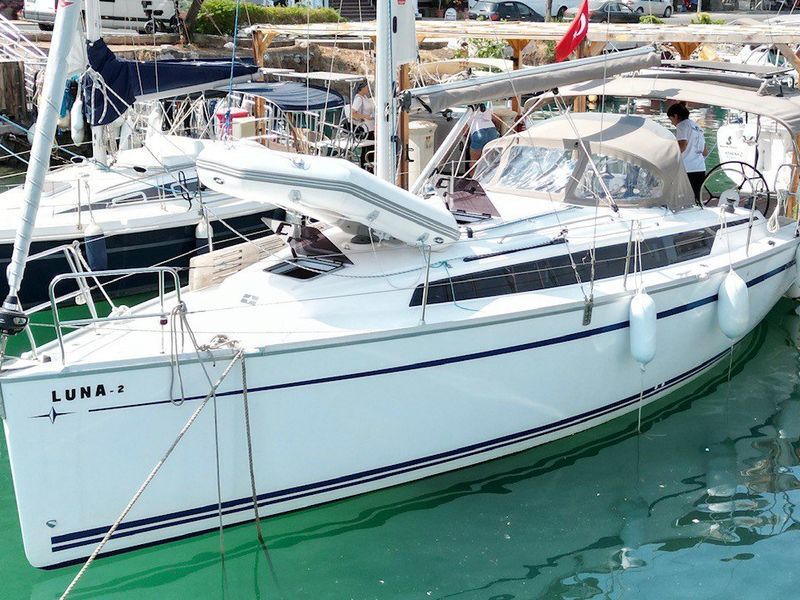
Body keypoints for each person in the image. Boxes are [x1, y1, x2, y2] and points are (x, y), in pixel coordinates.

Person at [667, 102, 708, 203]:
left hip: (687, 168)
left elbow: (683, 145)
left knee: (681, 199)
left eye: (671, 119)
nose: (672, 123)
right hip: (700, 168)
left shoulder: (682, 125)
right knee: (696, 199)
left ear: (675, 116)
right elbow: (705, 152)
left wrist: (669, 157)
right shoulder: (698, 127)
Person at [350, 81, 375, 170]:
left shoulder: (365, 97)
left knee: (370, 149)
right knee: (367, 149)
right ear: (362, 88)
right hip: (365, 128)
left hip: (371, 127)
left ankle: (369, 168)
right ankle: (366, 168)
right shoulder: (359, 99)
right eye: (367, 87)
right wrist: (365, 117)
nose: (368, 89)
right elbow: (353, 113)